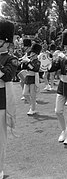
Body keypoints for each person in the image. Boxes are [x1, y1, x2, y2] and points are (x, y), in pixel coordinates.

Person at [0, 20, 18, 179]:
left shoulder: (11, 59)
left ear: (7, 43)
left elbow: (7, 76)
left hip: (1, 101)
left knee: (0, 138)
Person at [21, 43, 42, 115]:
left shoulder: (37, 62)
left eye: (33, 52)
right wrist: (23, 62)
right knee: (25, 94)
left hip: (33, 78)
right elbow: (23, 68)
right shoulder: (29, 60)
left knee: (33, 95)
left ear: (36, 54)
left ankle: (33, 109)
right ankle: (32, 105)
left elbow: (34, 69)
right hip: (27, 77)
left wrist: (28, 62)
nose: (31, 54)